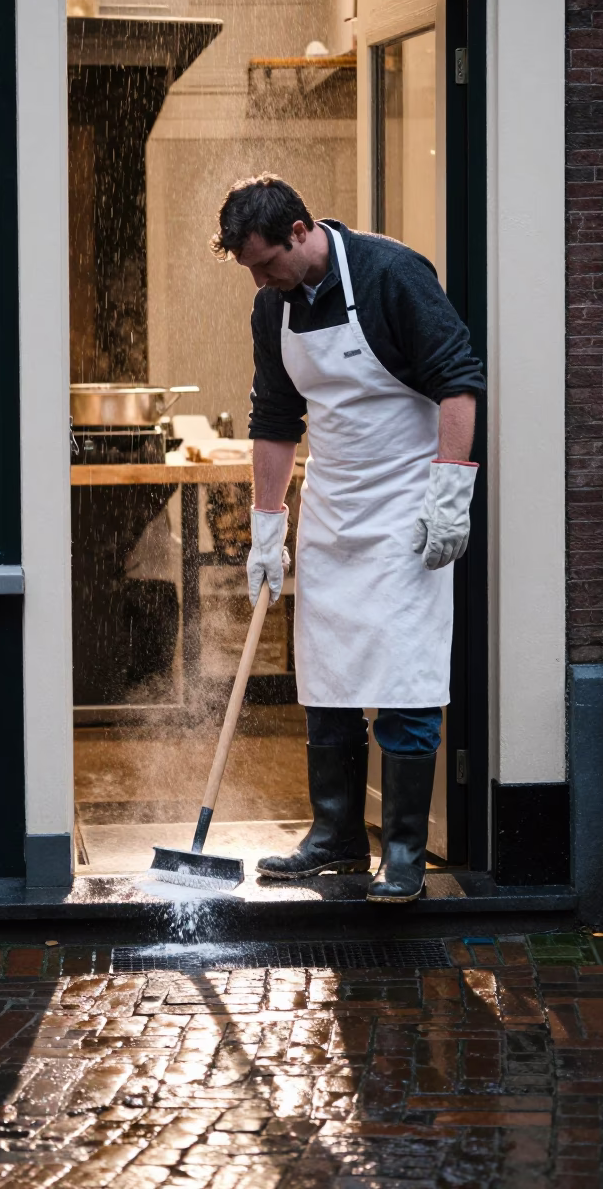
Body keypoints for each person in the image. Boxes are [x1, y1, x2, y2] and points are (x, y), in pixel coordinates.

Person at [210, 174, 485, 903]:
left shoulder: (393, 274)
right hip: (333, 507)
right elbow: (274, 419)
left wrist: (451, 495)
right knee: (326, 676)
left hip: (406, 507)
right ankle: (335, 837)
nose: (263, 280)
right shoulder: (272, 308)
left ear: (301, 230)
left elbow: (459, 384)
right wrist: (267, 528)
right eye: (252, 270)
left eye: (268, 262)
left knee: (404, 677)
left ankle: (400, 849)